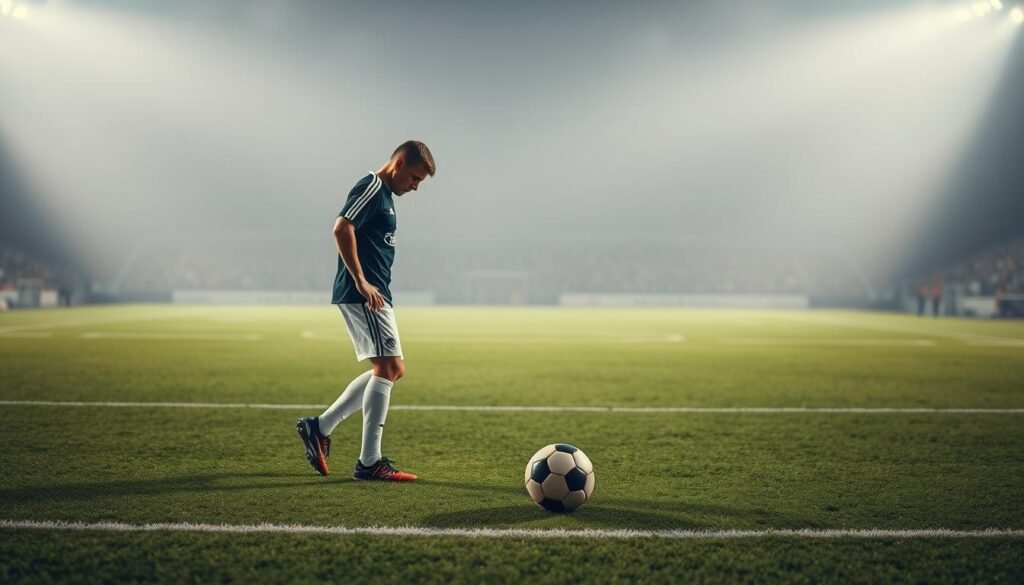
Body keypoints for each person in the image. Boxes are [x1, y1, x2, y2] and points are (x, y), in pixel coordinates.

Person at [297, 140, 436, 482]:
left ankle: (320, 427)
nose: (415, 187)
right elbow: (342, 226)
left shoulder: (387, 197)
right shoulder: (373, 186)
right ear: (399, 165)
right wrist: (361, 280)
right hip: (365, 293)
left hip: (376, 293)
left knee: (391, 368)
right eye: (415, 178)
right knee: (387, 367)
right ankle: (369, 462)